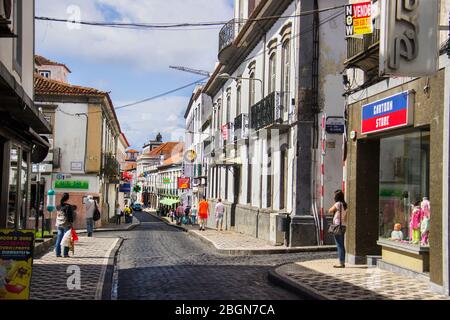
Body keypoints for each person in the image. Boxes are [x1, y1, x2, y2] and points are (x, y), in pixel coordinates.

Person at [328, 190, 348, 268]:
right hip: (343, 225)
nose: (334, 197)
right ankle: (342, 261)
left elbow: (330, 210)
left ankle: (341, 263)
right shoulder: (345, 205)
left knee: (339, 245)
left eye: (335, 195)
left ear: (337, 197)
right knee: (342, 244)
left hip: (337, 226)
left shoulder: (338, 204)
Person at [55, 193, 75, 258]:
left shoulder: (58, 206)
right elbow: (70, 217)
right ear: (68, 198)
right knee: (67, 239)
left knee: (59, 238)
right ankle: (65, 254)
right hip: (66, 224)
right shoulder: (68, 206)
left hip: (59, 224)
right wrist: (71, 223)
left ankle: (58, 253)